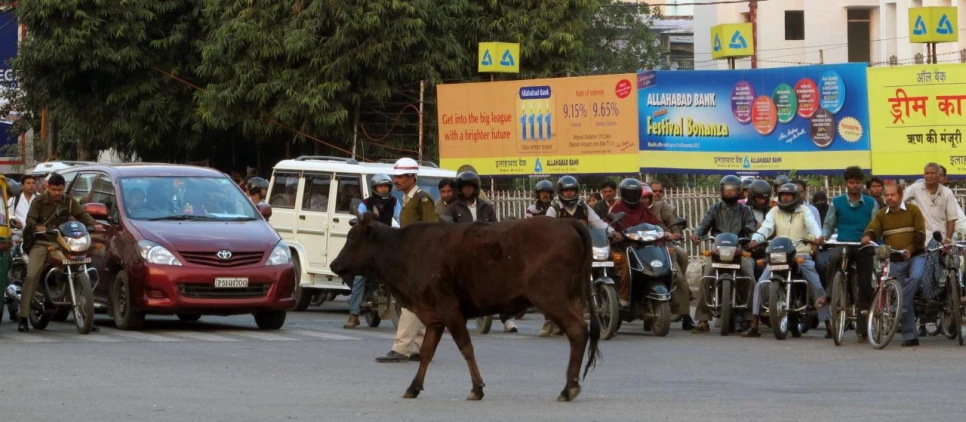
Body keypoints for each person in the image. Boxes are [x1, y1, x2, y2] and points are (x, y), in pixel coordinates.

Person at [743, 183, 831, 338]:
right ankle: (754, 324)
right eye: (782, 194)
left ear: (795, 196)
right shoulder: (774, 211)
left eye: (788, 195)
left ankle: (829, 324)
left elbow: (813, 227)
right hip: (778, 256)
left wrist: (817, 238)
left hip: (800, 255)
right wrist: (756, 239)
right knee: (761, 284)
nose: (785, 197)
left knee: (816, 285)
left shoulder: (805, 211)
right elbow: (766, 228)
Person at [376, 158, 438, 363]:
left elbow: (431, 231)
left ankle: (401, 348)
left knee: (410, 303)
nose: (396, 180)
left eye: (401, 176)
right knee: (419, 304)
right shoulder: (405, 199)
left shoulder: (423, 199)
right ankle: (418, 347)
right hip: (410, 258)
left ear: (412, 178)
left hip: (421, 259)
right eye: (396, 176)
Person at [19, 173, 98, 333]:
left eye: (60, 190)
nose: (57, 193)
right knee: (32, 275)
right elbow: (30, 221)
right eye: (54, 189)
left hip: (63, 243)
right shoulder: (39, 201)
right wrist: (37, 227)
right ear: (48, 188)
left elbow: (82, 214)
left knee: (82, 264)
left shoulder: (68, 201)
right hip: (42, 242)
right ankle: (23, 317)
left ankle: (86, 316)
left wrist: (93, 224)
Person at [689, 175, 758, 333]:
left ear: (739, 192)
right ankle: (703, 320)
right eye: (727, 190)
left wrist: (752, 235)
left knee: (749, 277)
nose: (730, 193)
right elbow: (703, 225)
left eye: (733, 190)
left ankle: (749, 317)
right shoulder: (714, 209)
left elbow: (751, 226)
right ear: (721, 191)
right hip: (717, 250)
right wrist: (697, 234)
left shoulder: (745, 210)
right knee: (706, 277)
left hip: (739, 249)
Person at [862, 183, 926, 347]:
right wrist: (868, 238)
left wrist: (910, 250)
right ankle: (910, 336)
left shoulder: (913, 211)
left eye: (892, 195)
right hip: (895, 259)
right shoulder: (882, 214)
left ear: (901, 195)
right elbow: (873, 230)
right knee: (904, 292)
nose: (889, 198)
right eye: (887, 195)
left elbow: (920, 235)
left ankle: (898, 306)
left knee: (916, 278)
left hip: (915, 256)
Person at [822, 166, 877, 336]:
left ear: (862, 184)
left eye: (858, 183)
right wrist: (823, 237)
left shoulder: (871, 202)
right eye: (852, 183)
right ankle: (830, 294)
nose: (855, 186)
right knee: (833, 258)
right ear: (846, 184)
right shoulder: (837, 202)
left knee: (865, 284)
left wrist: (869, 236)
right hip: (844, 243)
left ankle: (863, 327)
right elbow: (829, 225)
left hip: (863, 245)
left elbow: (875, 225)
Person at [345, 174, 400, 329]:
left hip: (387, 243)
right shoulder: (366, 203)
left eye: (387, 186)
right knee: (360, 276)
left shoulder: (395, 202)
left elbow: (399, 217)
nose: (384, 189)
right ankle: (353, 314)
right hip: (369, 245)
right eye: (381, 186)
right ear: (375, 188)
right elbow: (360, 218)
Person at [608, 178, 665, 307]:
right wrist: (614, 233)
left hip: (644, 246)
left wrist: (664, 231)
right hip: (624, 247)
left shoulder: (642, 207)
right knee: (628, 266)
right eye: (629, 193)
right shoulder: (617, 207)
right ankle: (624, 296)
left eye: (635, 193)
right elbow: (608, 223)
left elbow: (654, 221)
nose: (632, 196)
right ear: (623, 194)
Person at [649, 184, 694, 330]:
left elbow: (675, 227)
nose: (656, 194)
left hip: (663, 247)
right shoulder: (630, 209)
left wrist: (674, 233)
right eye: (652, 192)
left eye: (659, 191)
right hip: (640, 248)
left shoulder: (664, 208)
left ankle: (685, 314)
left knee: (679, 275)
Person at [903, 163, 957, 246]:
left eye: (932, 173)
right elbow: (899, 200)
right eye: (927, 173)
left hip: (942, 237)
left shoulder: (947, 192)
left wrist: (948, 239)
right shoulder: (915, 188)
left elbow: (951, 219)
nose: (929, 176)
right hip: (923, 237)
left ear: (938, 175)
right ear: (924, 175)